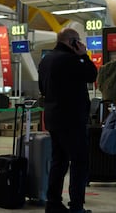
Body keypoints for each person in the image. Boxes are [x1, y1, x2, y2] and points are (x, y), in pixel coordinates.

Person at [38, 28, 97, 213]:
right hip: (72, 119)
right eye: (78, 41)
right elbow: (92, 75)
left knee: (59, 161)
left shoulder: (46, 60)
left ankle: (53, 203)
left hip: (53, 118)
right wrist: (84, 56)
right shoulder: (71, 59)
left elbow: (42, 88)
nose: (80, 44)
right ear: (72, 42)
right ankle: (76, 207)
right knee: (79, 162)